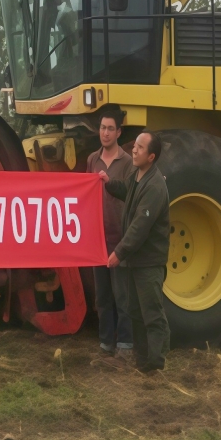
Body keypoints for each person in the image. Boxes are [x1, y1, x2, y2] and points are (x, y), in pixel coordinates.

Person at [103, 131, 172, 374]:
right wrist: (108, 183)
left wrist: (119, 252)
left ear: (151, 156)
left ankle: (155, 364)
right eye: (135, 145)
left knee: (152, 314)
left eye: (140, 148)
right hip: (135, 261)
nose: (133, 149)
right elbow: (126, 192)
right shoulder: (138, 175)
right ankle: (143, 361)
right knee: (135, 311)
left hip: (148, 262)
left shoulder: (155, 187)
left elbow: (139, 228)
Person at [85, 106, 134, 359]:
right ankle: (106, 343)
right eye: (102, 128)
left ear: (118, 132)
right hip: (97, 238)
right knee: (102, 296)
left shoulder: (127, 162)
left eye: (110, 129)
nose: (105, 133)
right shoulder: (92, 160)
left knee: (122, 295)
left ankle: (125, 345)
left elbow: (131, 194)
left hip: (119, 237)